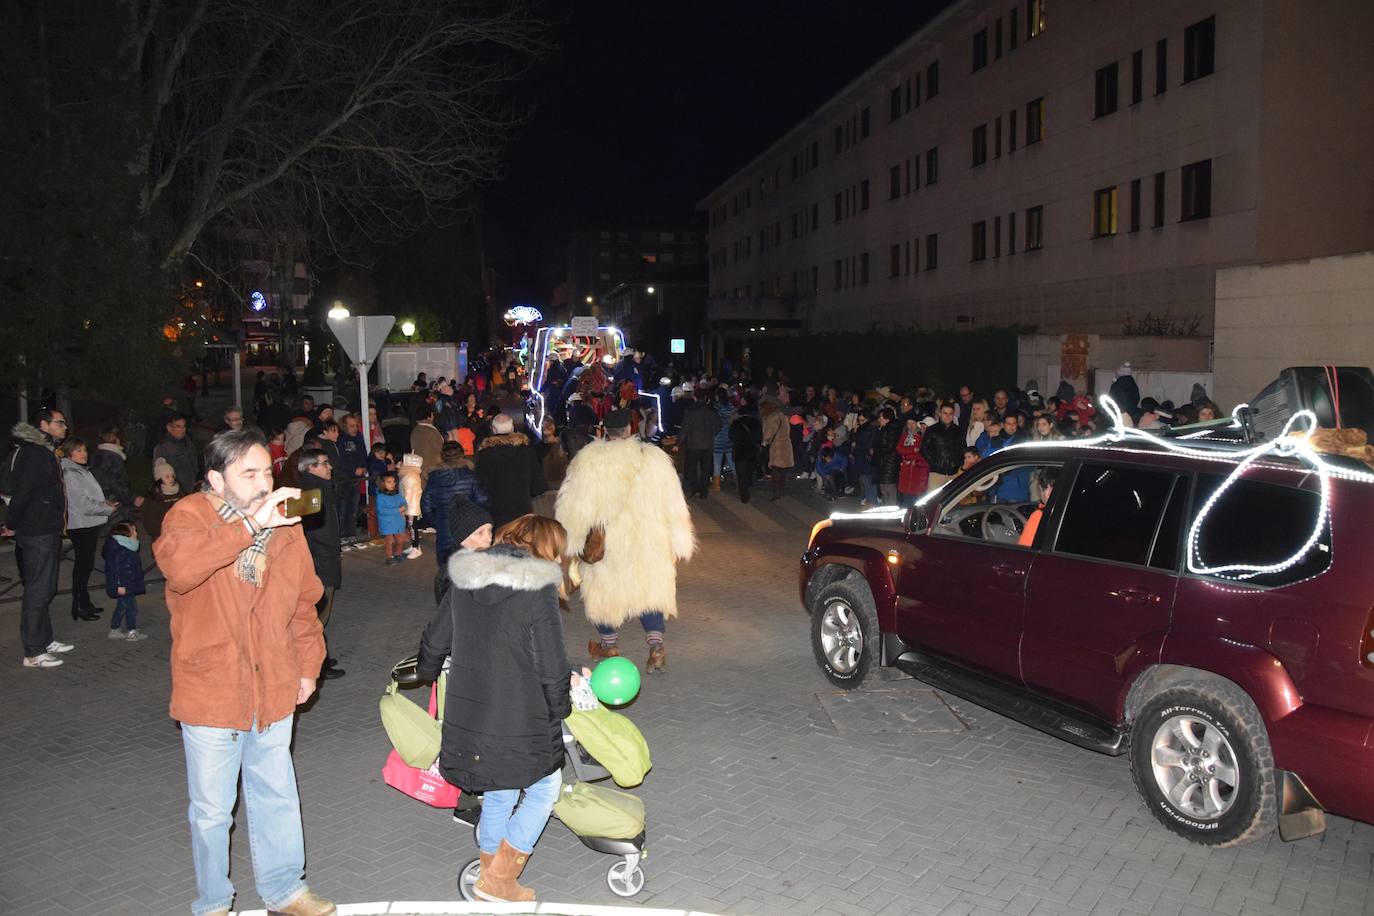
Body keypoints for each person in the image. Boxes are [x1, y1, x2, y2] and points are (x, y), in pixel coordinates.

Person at [151, 428, 334, 916]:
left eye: (266, 471)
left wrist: (308, 664)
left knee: (276, 793)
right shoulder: (188, 515)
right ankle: (213, 901)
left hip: (273, 678)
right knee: (212, 811)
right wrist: (253, 525)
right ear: (216, 479)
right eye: (248, 473)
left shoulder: (285, 522)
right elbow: (182, 567)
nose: (262, 483)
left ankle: (285, 889)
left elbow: (303, 599)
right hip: (213, 686)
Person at [415, 515, 578, 903]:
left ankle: (488, 874)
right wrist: (560, 706)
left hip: (470, 710)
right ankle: (501, 878)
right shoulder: (536, 587)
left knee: (500, 788)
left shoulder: (465, 575)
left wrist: (425, 670)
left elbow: (437, 638)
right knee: (545, 787)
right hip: (520, 714)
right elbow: (550, 662)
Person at [556, 409, 695, 671]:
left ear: (605, 432)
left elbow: (574, 506)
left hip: (608, 544)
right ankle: (656, 646)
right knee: (650, 591)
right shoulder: (654, 459)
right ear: (630, 430)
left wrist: (571, 542)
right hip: (650, 539)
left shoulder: (589, 461)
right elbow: (674, 502)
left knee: (604, 593)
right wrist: (678, 540)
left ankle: (609, 645)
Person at [6, 410, 77, 668]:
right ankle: (34, 652)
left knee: (45, 588)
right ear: (44, 425)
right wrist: (11, 523)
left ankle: (45, 640)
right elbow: (23, 492)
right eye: (60, 422)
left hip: (45, 528)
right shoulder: (35, 453)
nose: (65, 426)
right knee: (37, 590)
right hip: (37, 530)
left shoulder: (42, 450)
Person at [298, 449, 344, 680]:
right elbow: (310, 531)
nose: (330, 467)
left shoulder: (319, 488)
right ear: (311, 468)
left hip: (324, 557)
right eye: (325, 463)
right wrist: (329, 548)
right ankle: (317, 664)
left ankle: (321, 657)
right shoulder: (310, 492)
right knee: (317, 615)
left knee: (321, 613)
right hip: (319, 561)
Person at [61, 438, 118, 621]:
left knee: (85, 565)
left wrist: (104, 503)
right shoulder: (71, 473)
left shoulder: (79, 469)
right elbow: (82, 503)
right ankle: (79, 605)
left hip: (87, 523)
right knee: (83, 566)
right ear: (70, 454)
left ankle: (84, 603)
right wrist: (107, 509)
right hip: (81, 524)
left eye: (84, 449)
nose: (84, 454)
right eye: (78, 451)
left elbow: (87, 496)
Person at [422, 441, 489, 586]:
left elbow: (425, 505)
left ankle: (448, 594)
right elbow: (482, 500)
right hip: (468, 527)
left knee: (445, 563)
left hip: (444, 526)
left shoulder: (434, 478)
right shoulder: (471, 476)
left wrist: (437, 521)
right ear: (462, 455)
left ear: (442, 456)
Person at [474, 413, 547, 527]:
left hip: (495, 514)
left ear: (493, 429)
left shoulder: (484, 455)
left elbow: (479, 486)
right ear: (513, 428)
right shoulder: (527, 453)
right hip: (523, 513)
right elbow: (539, 486)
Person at [430, 496, 493, 603]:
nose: (489, 538)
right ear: (462, 539)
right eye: (480, 533)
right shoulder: (453, 576)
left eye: (490, 530)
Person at [103, 520, 148, 641]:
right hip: (124, 584)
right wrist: (120, 585)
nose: (136, 533)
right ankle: (131, 632)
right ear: (126, 534)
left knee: (122, 606)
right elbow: (116, 570)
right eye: (134, 530)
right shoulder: (120, 549)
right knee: (130, 607)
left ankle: (114, 629)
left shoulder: (123, 545)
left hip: (127, 582)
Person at [89, 426, 143, 524]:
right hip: (115, 500)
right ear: (117, 439)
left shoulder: (97, 455)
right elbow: (115, 483)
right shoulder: (113, 457)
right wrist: (132, 498)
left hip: (102, 498)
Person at [677, 389, 721, 500]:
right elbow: (718, 426)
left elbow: (685, 428)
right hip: (708, 444)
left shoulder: (690, 411)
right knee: (706, 469)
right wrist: (711, 434)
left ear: (694, 397)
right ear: (705, 397)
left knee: (691, 468)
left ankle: (695, 488)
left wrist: (679, 442)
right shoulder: (712, 411)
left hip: (693, 444)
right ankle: (704, 491)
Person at [334, 414, 368, 542]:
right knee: (342, 507)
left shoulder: (358, 436)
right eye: (351, 426)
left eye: (356, 425)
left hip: (356, 477)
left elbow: (363, 452)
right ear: (345, 426)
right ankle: (342, 535)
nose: (355, 428)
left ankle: (351, 533)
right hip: (344, 477)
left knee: (353, 507)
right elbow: (341, 458)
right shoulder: (341, 439)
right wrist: (353, 469)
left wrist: (364, 466)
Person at [921, 402, 964, 493]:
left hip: (954, 473)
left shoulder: (959, 431)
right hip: (936, 474)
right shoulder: (931, 430)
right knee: (932, 500)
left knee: (953, 500)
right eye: (945, 413)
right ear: (940, 413)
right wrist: (935, 463)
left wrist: (958, 463)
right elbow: (924, 449)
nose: (947, 416)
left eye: (950, 413)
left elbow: (963, 448)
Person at [728, 395, 763, 504]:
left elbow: (731, 436)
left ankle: (744, 496)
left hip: (739, 451)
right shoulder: (756, 423)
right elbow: (759, 437)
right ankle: (748, 484)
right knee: (748, 471)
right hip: (752, 451)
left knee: (741, 474)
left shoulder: (736, 423)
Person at [140, 458, 186, 542]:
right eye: (167, 477)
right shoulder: (153, 498)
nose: (171, 479)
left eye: (172, 476)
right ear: (159, 479)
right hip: (163, 538)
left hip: (181, 536)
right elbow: (150, 524)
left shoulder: (180, 493)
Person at [759, 397, 793, 502]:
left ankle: (776, 493)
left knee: (775, 471)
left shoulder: (772, 417)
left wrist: (764, 442)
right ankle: (781, 491)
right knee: (783, 471)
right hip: (786, 445)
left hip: (777, 447)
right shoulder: (783, 416)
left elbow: (768, 433)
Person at [154, 414, 199, 492]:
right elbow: (159, 474)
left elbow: (195, 465)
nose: (182, 430)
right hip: (174, 490)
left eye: (184, 426)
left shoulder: (189, 443)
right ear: (169, 428)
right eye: (178, 426)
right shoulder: (162, 447)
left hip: (191, 487)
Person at [1017, 468, 1057, 547]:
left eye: (1054, 487)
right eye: (1046, 487)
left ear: (1039, 489)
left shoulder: (1040, 516)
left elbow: (1023, 551)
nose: (1049, 493)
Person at [894, 419, 929, 507]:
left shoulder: (921, 436)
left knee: (918, 495)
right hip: (906, 469)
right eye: (908, 423)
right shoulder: (904, 435)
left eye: (912, 423)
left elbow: (918, 451)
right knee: (907, 493)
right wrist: (912, 450)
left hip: (918, 470)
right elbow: (899, 448)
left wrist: (907, 452)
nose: (910, 426)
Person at [375, 472, 408, 564]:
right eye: (389, 482)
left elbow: (403, 503)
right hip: (387, 523)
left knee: (400, 540)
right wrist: (398, 510)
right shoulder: (380, 497)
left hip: (398, 521)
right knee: (389, 541)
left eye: (394, 482)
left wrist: (404, 507)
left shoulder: (398, 495)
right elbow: (382, 511)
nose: (392, 484)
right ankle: (389, 557)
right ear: (382, 483)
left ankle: (398, 553)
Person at [397, 454, 425, 559]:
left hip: (410, 507)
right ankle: (415, 546)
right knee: (412, 527)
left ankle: (416, 548)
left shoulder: (409, 476)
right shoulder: (410, 475)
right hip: (411, 505)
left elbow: (408, 494)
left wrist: (404, 506)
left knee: (412, 527)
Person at [872, 407, 900, 505]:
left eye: (881, 417)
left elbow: (889, 447)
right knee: (884, 489)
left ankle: (891, 515)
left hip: (889, 464)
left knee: (889, 490)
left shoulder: (891, 429)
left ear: (887, 419)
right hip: (885, 463)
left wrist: (877, 450)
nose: (879, 420)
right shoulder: (885, 429)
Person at [410, 405, 444, 482]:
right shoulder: (431, 432)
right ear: (429, 416)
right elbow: (441, 450)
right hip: (432, 469)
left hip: (419, 469)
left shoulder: (415, 431)